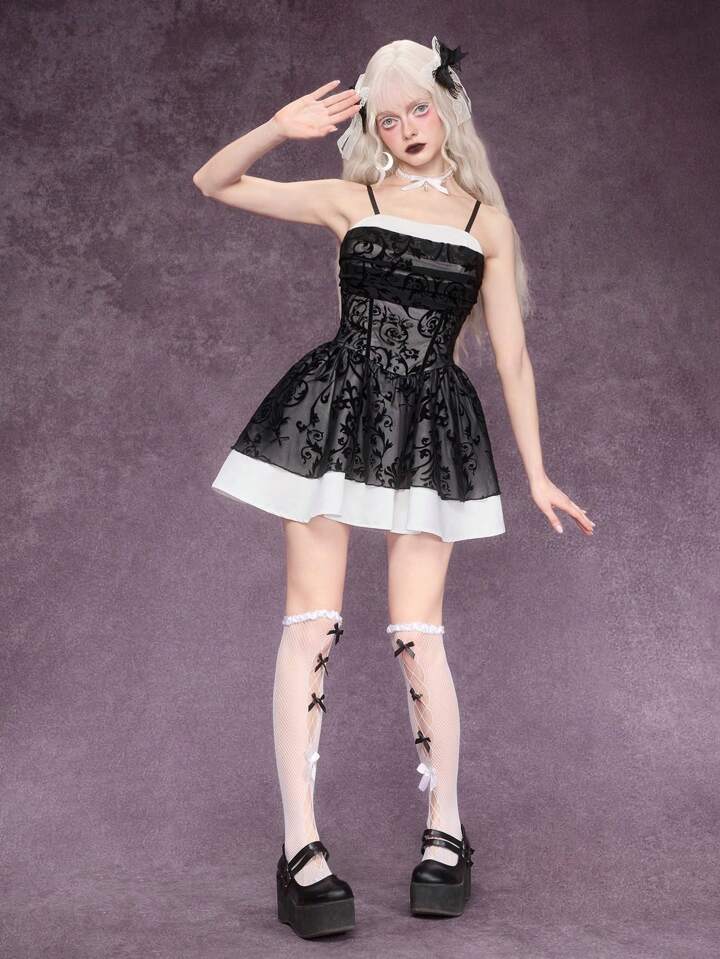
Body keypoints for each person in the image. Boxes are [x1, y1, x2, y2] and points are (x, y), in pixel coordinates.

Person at [193, 35, 595, 939]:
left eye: (420, 108)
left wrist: (536, 471)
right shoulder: (353, 199)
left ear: (446, 110)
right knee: (312, 624)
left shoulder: (487, 224)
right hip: (334, 414)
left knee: (420, 636)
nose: (407, 128)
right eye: (388, 117)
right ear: (373, 130)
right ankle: (301, 847)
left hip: (431, 430)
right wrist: (276, 127)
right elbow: (213, 183)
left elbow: (514, 359)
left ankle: (446, 830)